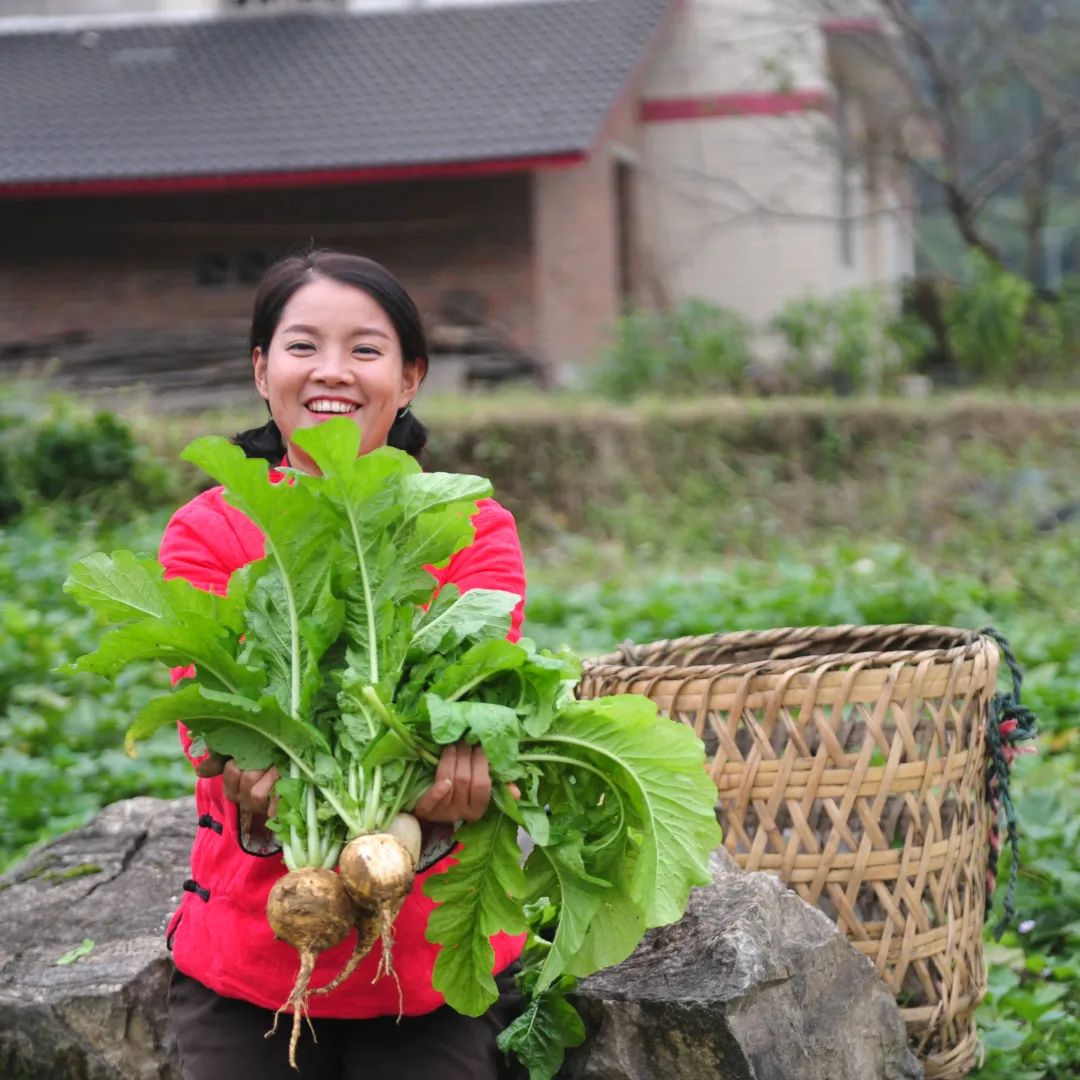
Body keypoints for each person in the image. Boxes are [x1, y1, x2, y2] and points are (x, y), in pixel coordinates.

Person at [160, 250, 527, 1079]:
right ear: (261, 370)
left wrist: (452, 784)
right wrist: (253, 770)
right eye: (302, 347)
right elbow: (207, 725)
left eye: (365, 349)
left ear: (409, 379)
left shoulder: (469, 526)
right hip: (253, 954)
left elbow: (485, 696)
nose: (333, 372)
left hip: (427, 959)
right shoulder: (210, 531)